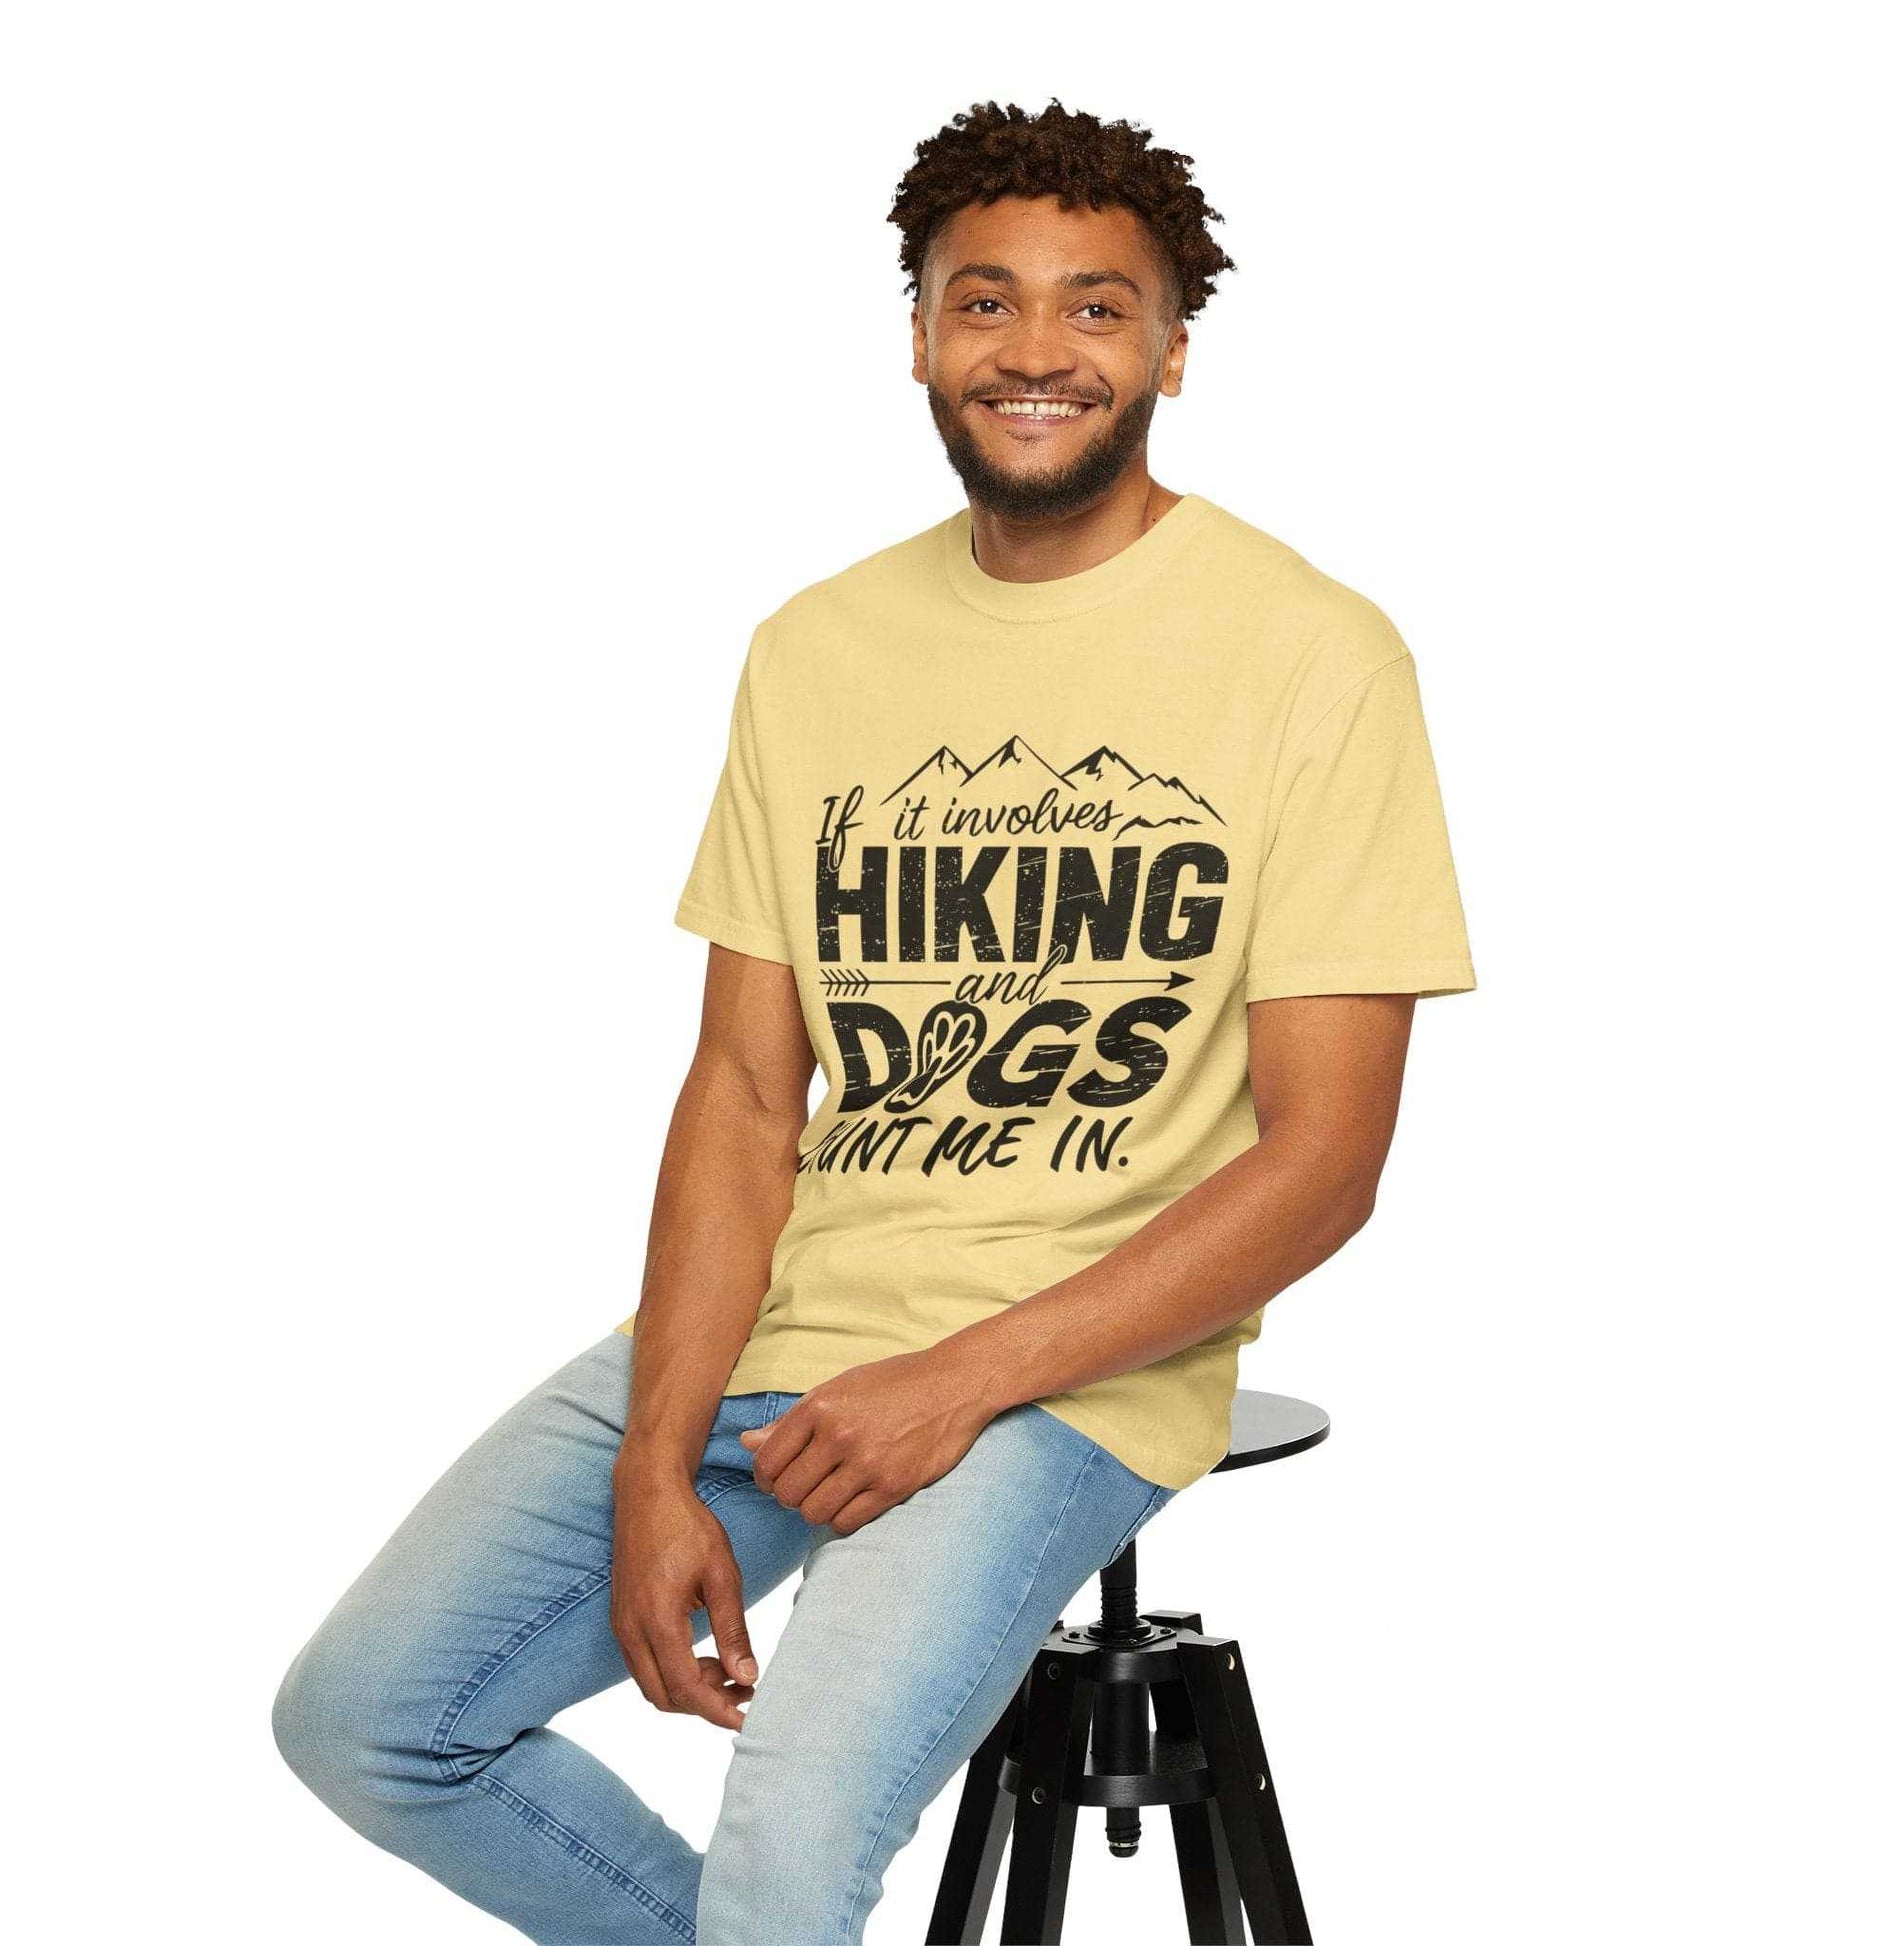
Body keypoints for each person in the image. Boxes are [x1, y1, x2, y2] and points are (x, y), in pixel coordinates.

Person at [272, 97, 1476, 1945]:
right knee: (372, 1720)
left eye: (1095, 307)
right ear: (919, 333)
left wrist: (953, 1382)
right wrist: (656, 1460)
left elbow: (1323, 1165)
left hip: (1071, 1364)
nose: (1034, 350)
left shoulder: (1313, 652)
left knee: (786, 1861)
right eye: (982, 301)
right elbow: (748, 1094)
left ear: (1170, 347)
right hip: (792, 1323)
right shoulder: (816, 648)